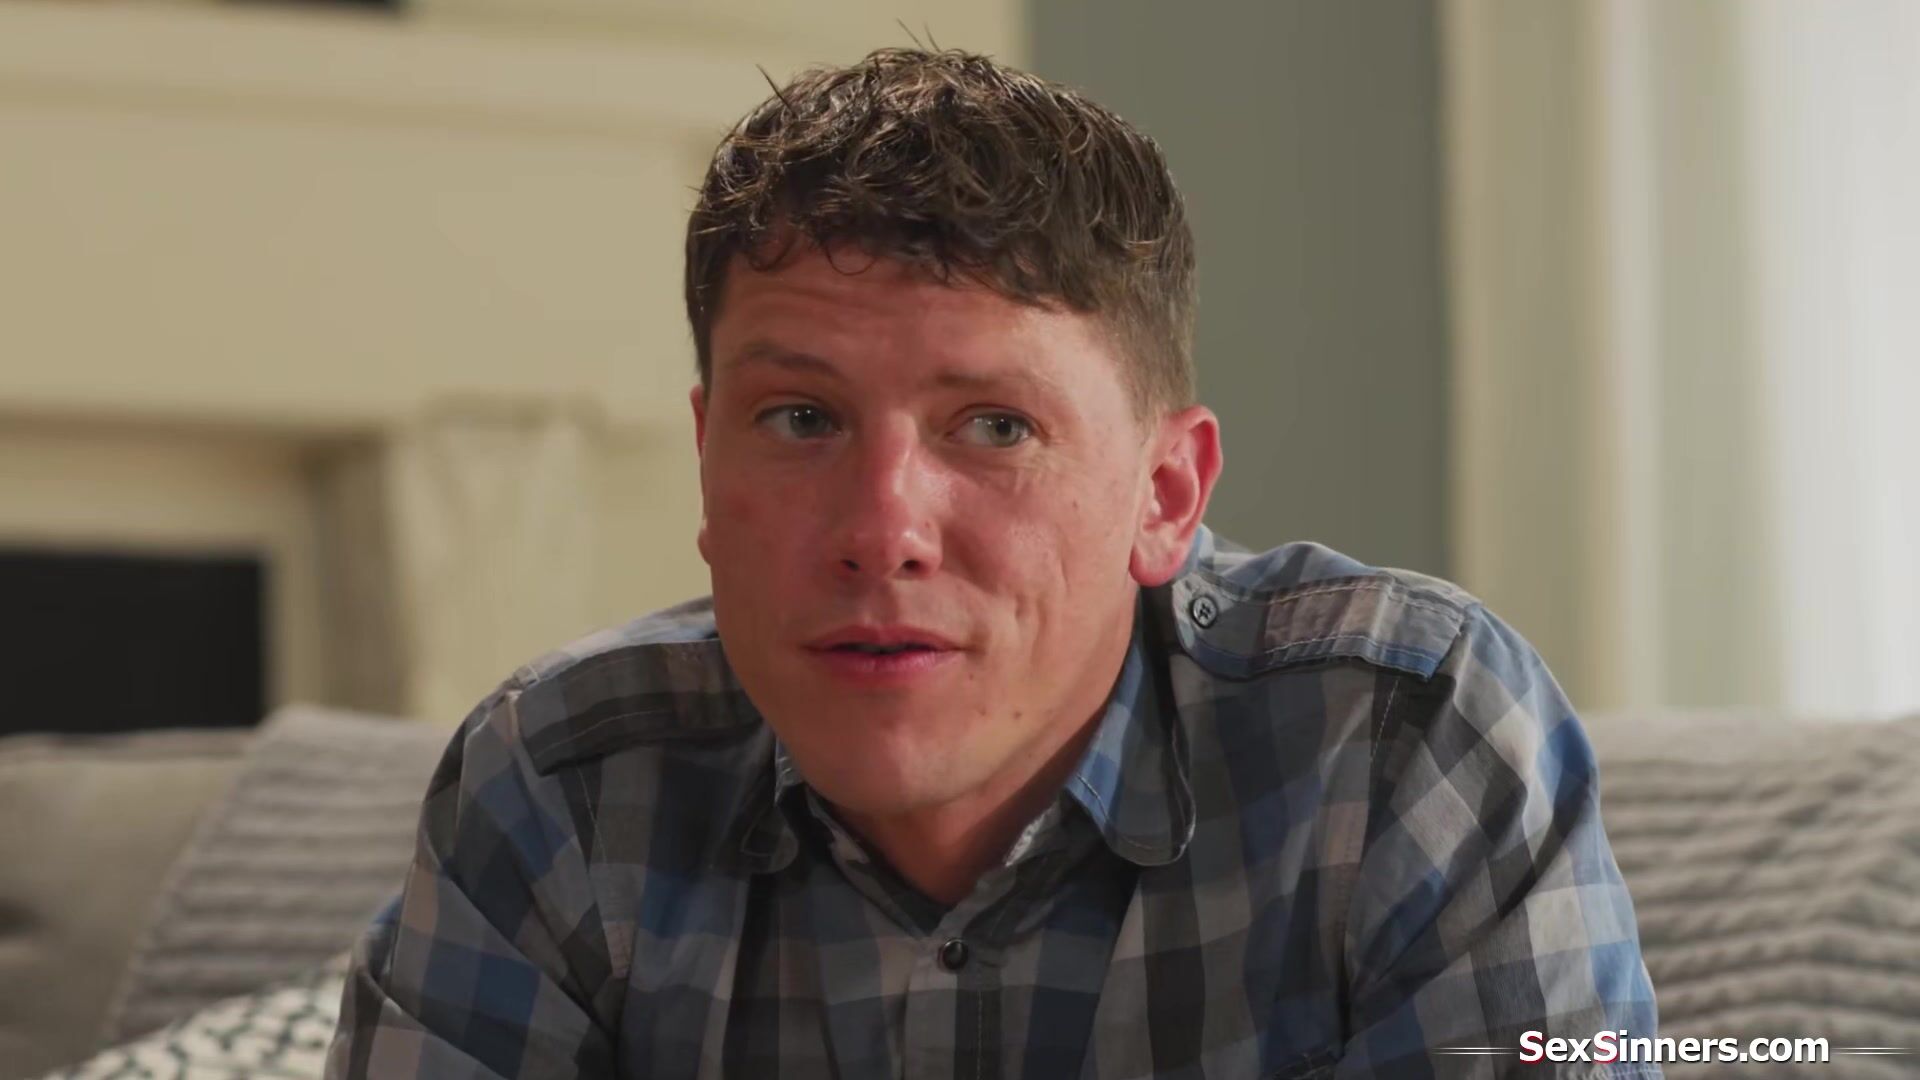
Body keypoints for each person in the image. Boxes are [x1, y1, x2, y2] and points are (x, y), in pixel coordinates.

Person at [327, 47, 1659, 1079]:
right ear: (706, 458)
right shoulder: (556, 785)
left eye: (996, 427)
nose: (882, 528)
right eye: (801, 419)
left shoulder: (1403, 741)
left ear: (1165, 494)